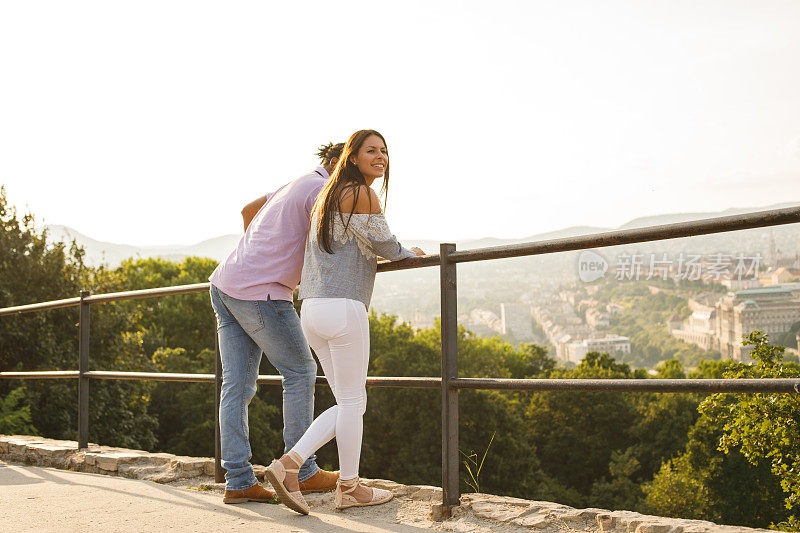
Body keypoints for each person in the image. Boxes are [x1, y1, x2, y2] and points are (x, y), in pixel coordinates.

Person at [264, 130, 425, 514]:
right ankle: (294, 466)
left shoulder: (328, 196)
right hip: (344, 309)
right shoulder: (361, 193)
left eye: (384, 150)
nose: (380, 156)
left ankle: (343, 485)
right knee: (353, 402)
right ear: (352, 157)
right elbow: (386, 246)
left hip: (314, 309)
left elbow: (356, 248)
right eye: (371, 150)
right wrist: (410, 253)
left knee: (349, 402)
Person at [208, 142, 345, 504]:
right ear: (334, 164)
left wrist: (261, 252)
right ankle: (302, 469)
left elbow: (248, 209)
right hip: (261, 294)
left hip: (225, 284)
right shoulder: (321, 188)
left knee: (236, 386)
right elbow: (341, 239)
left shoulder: (296, 182)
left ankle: (238, 481)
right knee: (300, 371)